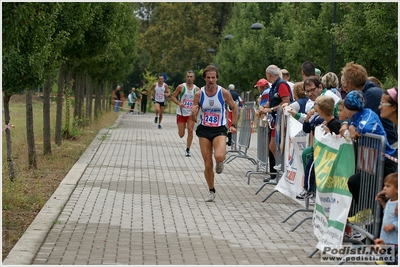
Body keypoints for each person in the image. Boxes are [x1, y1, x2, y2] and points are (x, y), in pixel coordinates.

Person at [190, 65, 238, 202]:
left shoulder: (223, 93)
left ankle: (220, 162)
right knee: (207, 164)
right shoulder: (199, 94)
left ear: (216, 78)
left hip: (219, 129)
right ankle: (211, 191)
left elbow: (234, 108)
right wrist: (193, 114)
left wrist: (233, 125)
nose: (211, 80)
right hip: (204, 129)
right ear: (204, 78)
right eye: (208, 77)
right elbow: (193, 118)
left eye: (213, 77)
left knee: (219, 155)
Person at [344, 90, 397, 209]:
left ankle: (373, 215)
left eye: (382, 103)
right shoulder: (357, 117)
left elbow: (366, 127)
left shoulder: (368, 113)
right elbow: (354, 123)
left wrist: (354, 127)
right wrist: (351, 125)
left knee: (372, 190)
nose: (379, 106)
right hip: (372, 162)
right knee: (355, 183)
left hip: (385, 161)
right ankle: (369, 213)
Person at [339, 62, 397, 148]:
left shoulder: (370, 94)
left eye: (345, 83)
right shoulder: (367, 92)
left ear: (350, 83)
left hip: (389, 147)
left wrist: (350, 125)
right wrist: (347, 124)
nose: (344, 86)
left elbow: (357, 116)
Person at [296, 95, 341, 200]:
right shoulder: (324, 121)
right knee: (309, 164)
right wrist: (307, 119)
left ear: (320, 111)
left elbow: (337, 139)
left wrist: (329, 134)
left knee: (311, 166)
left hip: (325, 153)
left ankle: (308, 190)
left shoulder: (335, 123)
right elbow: (307, 129)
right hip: (321, 151)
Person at [257, 65, 292, 168]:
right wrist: (263, 108)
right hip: (276, 120)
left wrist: (270, 109)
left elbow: (286, 101)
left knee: (274, 146)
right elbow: (271, 102)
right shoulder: (274, 86)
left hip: (281, 120)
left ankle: (283, 168)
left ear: (269, 74)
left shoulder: (281, 85)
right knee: (272, 146)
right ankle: (280, 168)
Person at [171, 70, 200, 157]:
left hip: (190, 114)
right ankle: (182, 129)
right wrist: (179, 103)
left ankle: (188, 149)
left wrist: (196, 112)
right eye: (188, 76)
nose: (189, 78)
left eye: (191, 77)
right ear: (186, 77)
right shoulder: (181, 87)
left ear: (194, 78)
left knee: (190, 130)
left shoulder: (197, 89)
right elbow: (173, 97)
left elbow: (199, 102)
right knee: (181, 134)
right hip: (181, 113)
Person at [375, 173, 398, 246]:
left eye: (388, 186)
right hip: (385, 239)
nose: (384, 188)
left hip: (395, 242)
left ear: (397, 190)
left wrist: (394, 225)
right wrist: (383, 204)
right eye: (384, 185)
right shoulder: (390, 200)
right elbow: (389, 213)